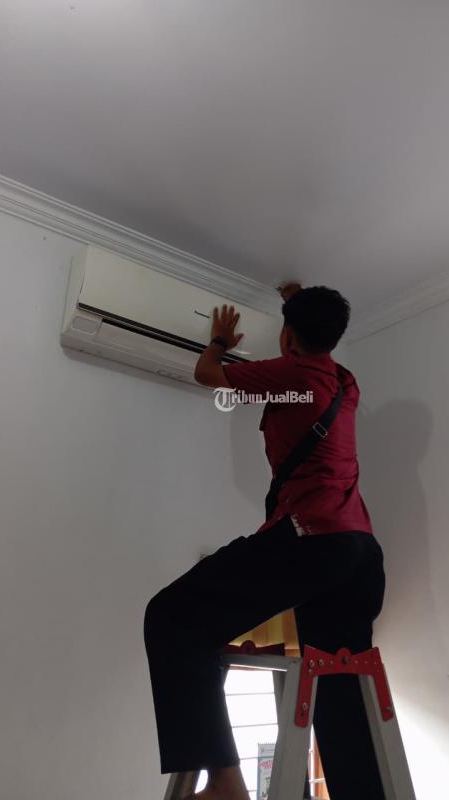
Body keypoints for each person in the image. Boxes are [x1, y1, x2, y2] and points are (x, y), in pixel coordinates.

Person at [144, 284, 387, 800]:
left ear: (289, 336)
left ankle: (225, 783)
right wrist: (298, 302)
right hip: (360, 552)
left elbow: (207, 374)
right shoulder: (345, 382)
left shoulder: (291, 374)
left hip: (309, 539)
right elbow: (315, 345)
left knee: (171, 618)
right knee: (337, 684)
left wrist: (219, 341)